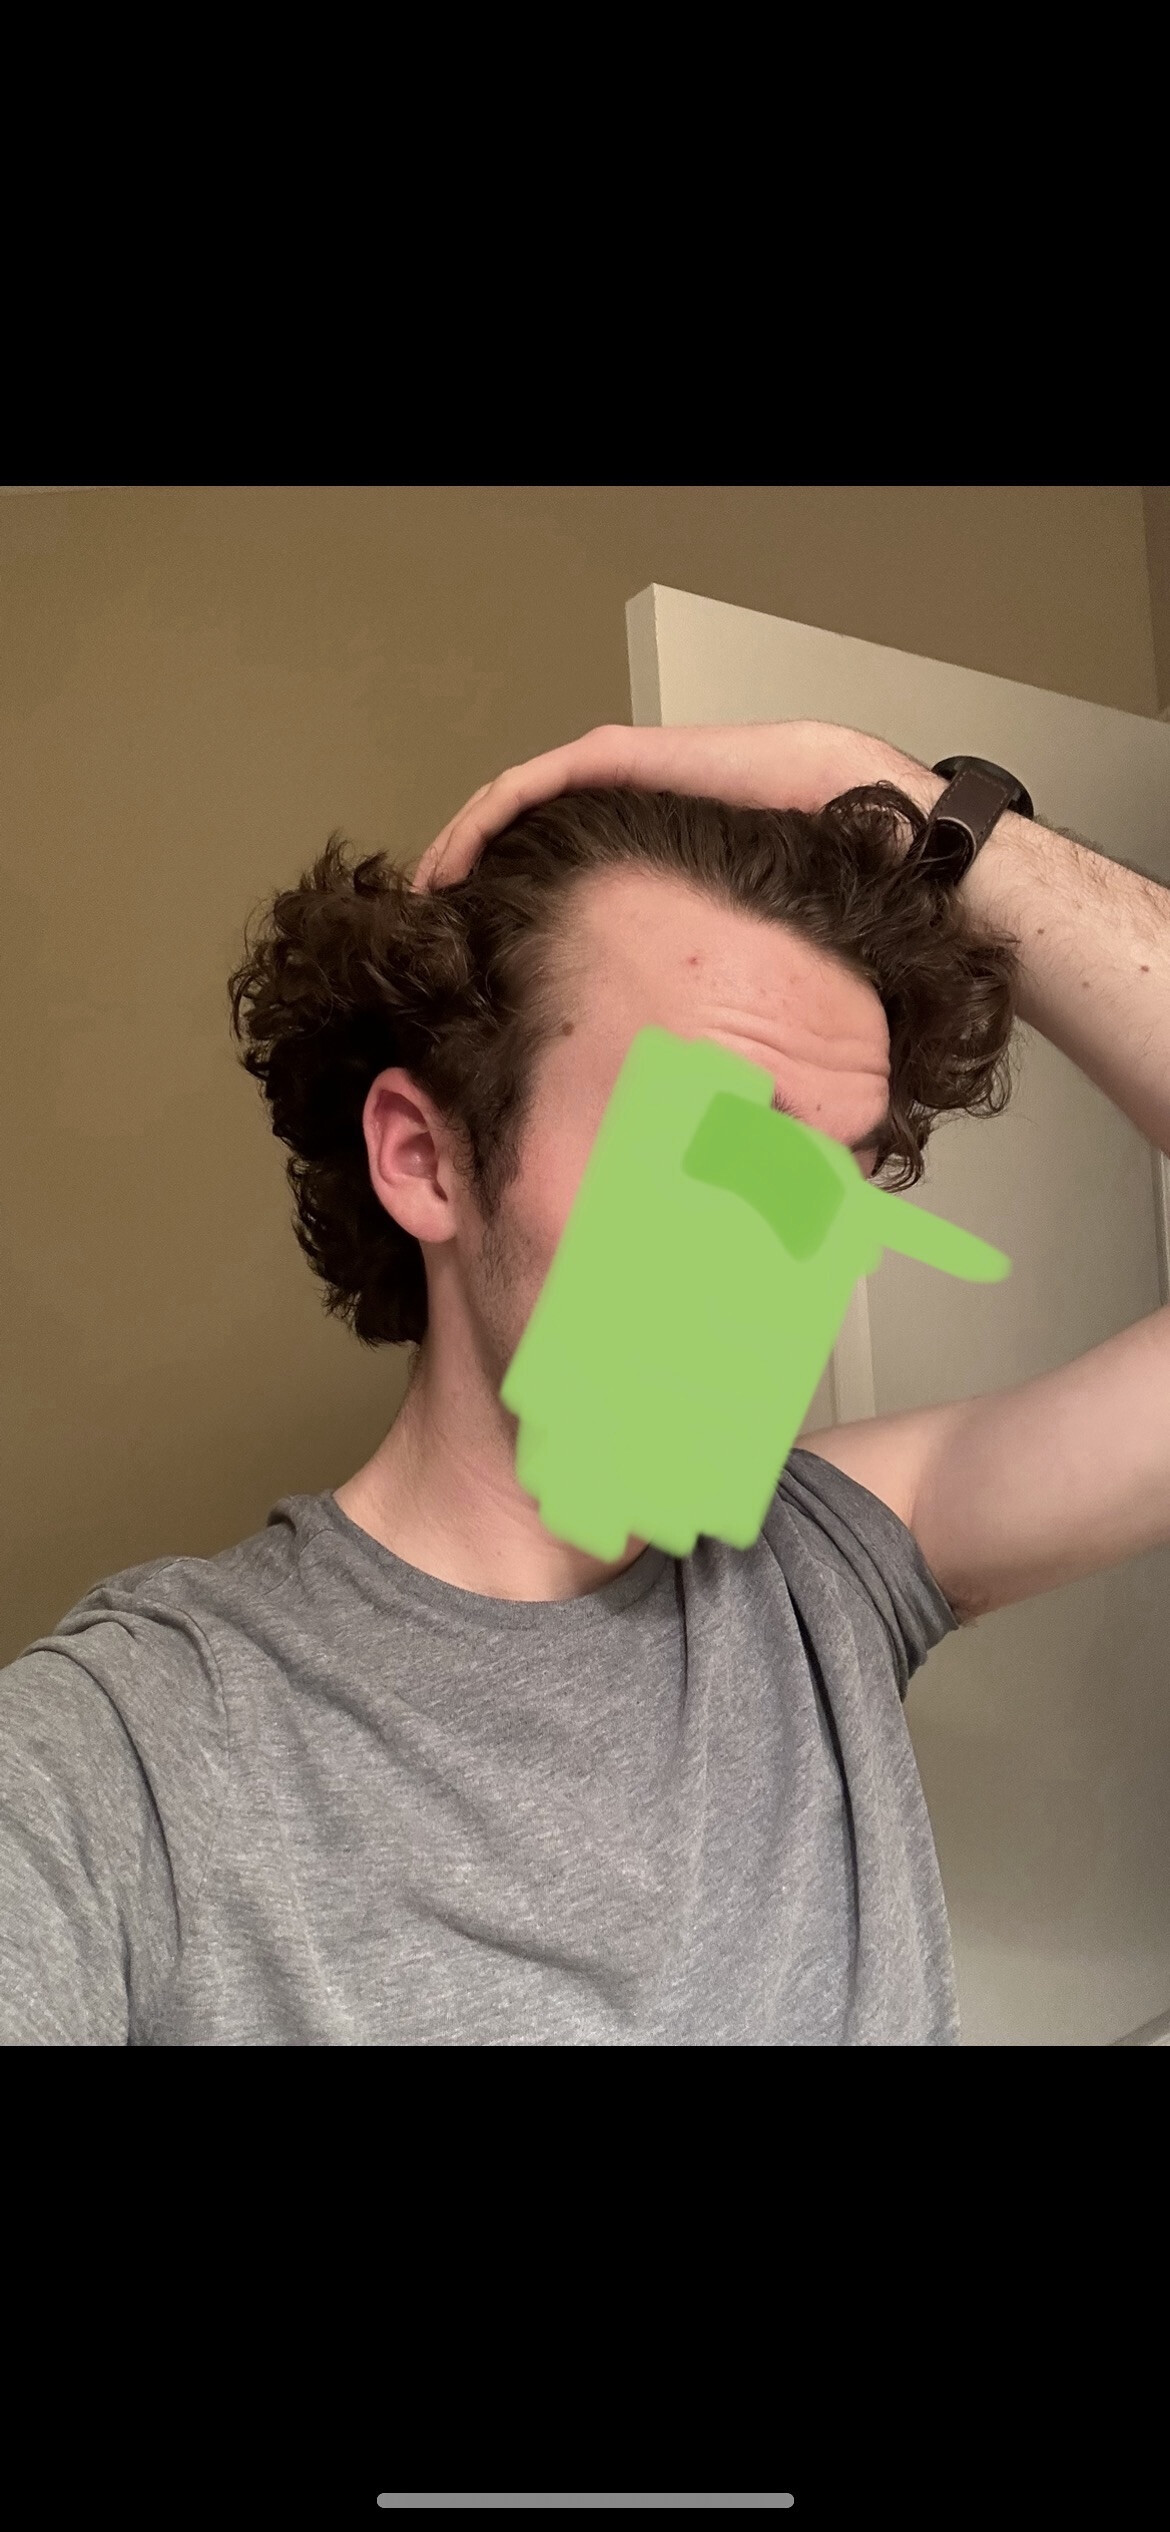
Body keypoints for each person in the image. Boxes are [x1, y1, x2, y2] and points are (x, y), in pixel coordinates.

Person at [3, 719, 1168, 2045]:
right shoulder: (125, 1758)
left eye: (829, 1183)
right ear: (425, 1156)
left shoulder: (825, 1570)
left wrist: (897, 798)